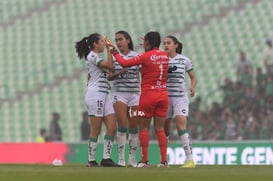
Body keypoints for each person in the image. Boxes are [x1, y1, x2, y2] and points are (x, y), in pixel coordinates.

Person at [107, 31, 169, 168]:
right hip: (163, 95)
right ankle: (164, 161)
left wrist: (114, 52)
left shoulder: (144, 56)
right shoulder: (165, 55)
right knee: (160, 128)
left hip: (148, 95)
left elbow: (123, 62)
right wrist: (149, 45)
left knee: (143, 128)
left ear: (148, 42)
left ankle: (144, 161)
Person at [75, 33, 119, 167]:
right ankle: (91, 159)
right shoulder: (92, 56)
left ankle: (106, 158)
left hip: (104, 94)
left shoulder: (96, 57)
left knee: (112, 127)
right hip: (96, 95)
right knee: (96, 128)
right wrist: (109, 50)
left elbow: (105, 74)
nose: (104, 43)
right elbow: (109, 66)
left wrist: (119, 74)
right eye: (101, 41)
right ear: (95, 44)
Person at [163, 36, 197, 168]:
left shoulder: (184, 60)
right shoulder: (161, 59)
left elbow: (193, 77)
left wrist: (192, 87)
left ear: (176, 45)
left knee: (180, 126)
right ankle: (163, 160)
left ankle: (190, 159)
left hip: (180, 97)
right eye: (164, 43)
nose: (166, 45)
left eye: (169, 43)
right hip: (165, 98)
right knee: (165, 129)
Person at [108, 31, 140, 167]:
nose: (118, 42)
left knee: (133, 126)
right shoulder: (114, 56)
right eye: (116, 40)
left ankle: (132, 158)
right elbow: (108, 76)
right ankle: (121, 158)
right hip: (119, 93)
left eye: (121, 39)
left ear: (128, 40)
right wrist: (118, 73)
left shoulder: (137, 56)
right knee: (122, 124)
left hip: (134, 95)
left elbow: (143, 74)